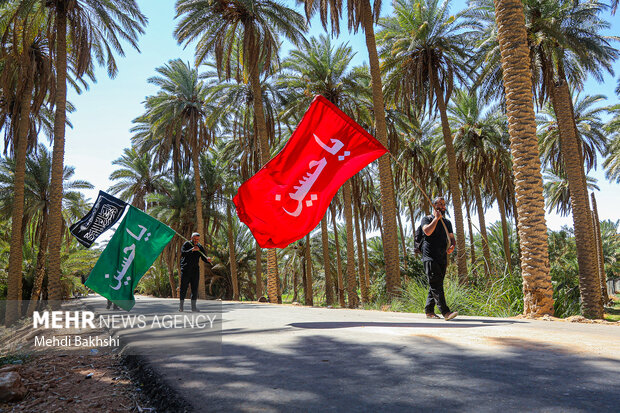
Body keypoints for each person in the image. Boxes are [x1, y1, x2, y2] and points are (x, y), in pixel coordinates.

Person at [421, 197, 458, 321]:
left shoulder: (447, 223)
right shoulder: (427, 219)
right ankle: (446, 312)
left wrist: (452, 245)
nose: (442, 207)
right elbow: (427, 231)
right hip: (430, 257)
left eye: (444, 205)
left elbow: (452, 238)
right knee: (436, 284)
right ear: (434, 206)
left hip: (442, 257)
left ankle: (429, 311)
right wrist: (436, 219)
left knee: (436, 284)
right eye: (440, 204)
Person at [179, 232, 212, 312]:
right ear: (191, 238)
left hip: (195, 271)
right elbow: (183, 253)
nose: (196, 241)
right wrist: (191, 250)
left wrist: (208, 260)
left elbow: (204, 257)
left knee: (195, 289)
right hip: (186, 269)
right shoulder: (187, 244)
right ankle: (181, 307)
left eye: (197, 239)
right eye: (194, 239)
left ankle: (193, 307)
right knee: (183, 288)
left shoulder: (200, 246)